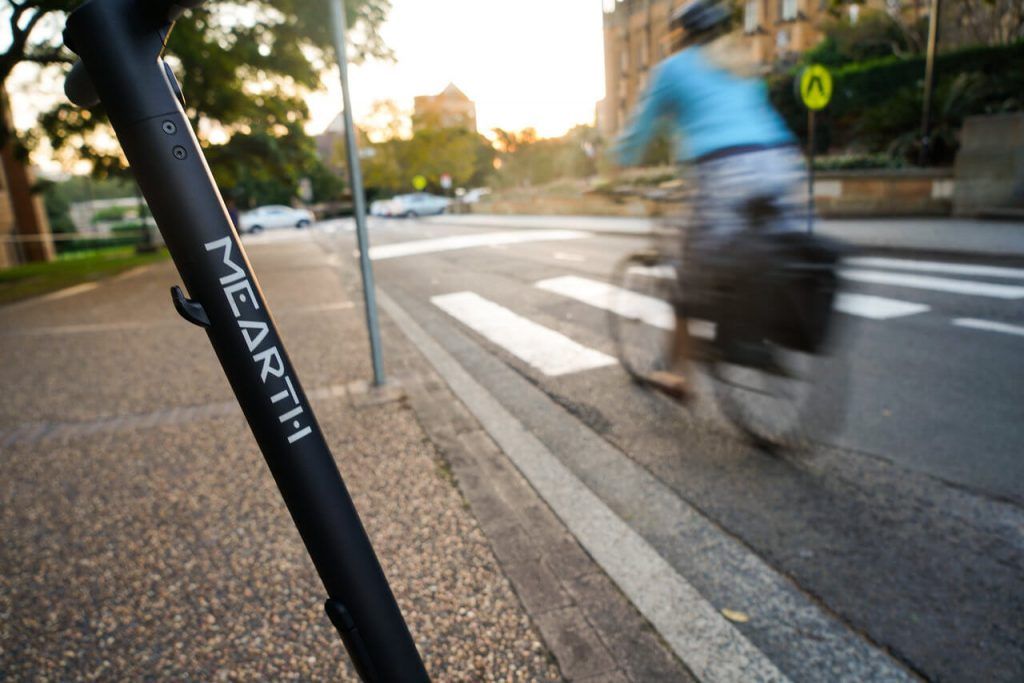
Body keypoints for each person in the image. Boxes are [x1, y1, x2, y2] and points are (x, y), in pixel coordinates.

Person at [614, 0, 807, 400]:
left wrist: (618, 164)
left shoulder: (674, 68)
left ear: (681, 34)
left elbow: (639, 131)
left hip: (724, 172)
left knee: (688, 278)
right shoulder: (741, 65)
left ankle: (679, 375)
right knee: (760, 254)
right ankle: (757, 335)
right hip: (781, 164)